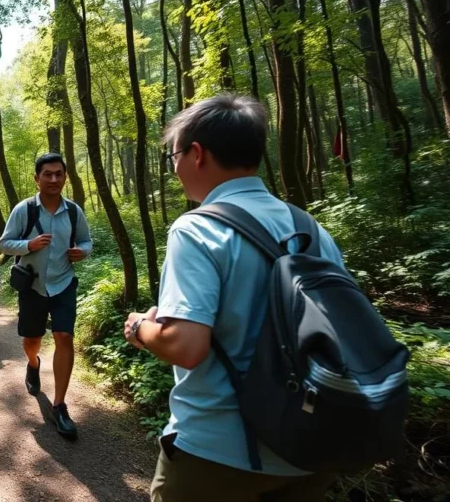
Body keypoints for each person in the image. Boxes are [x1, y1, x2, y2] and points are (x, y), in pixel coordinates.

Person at [124, 95, 344, 501]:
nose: (173, 168)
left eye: (173, 155)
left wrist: (140, 327)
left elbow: (186, 346)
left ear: (196, 154)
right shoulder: (311, 228)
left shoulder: (196, 229)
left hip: (218, 451)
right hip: (312, 446)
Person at [0, 153, 92, 438]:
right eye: (48, 174)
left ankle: (59, 406)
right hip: (34, 287)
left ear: (65, 176)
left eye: (59, 174)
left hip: (64, 283)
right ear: (36, 178)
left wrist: (82, 251)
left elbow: (87, 241)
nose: (54, 179)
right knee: (32, 341)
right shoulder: (24, 210)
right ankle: (33, 363)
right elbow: (4, 244)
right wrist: (30, 244)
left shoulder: (74, 211)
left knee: (64, 337)